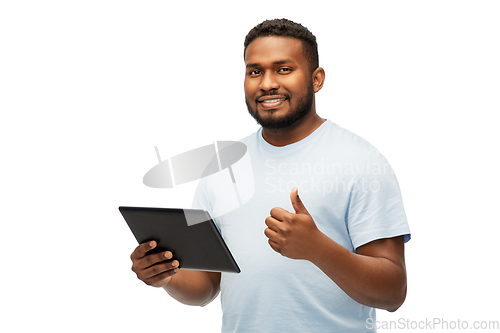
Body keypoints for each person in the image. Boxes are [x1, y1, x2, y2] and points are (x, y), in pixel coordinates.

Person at [130, 18, 411, 332]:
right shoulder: (222, 167)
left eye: (284, 69)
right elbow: (207, 286)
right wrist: (166, 274)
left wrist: (318, 248)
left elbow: (392, 292)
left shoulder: (361, 161)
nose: (266, 84)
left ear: (316, 79)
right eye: (255, 71)